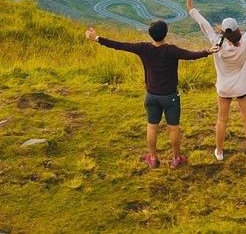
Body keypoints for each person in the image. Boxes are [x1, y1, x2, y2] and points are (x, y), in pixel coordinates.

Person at [85, 20, 219, 169]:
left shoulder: (143, 48)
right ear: (165, 34)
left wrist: (97, 38)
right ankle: (176, 159)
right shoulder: (171, 50)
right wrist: (207, 51)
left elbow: (119, 45)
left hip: (151, 96)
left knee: (152, 127)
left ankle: (153, 159)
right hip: (170, 96)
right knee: (173, 128)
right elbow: (190, 55)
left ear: (151, 34)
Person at [187, 0, 246, 161]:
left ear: (223, 31)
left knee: (222, 121)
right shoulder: (245, 40)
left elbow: (204, 25)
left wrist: (192, 11)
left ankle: (219, 152)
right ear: (237, 30)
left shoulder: (216, 43)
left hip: (224, 88)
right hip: (242, 87)